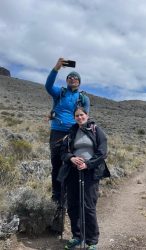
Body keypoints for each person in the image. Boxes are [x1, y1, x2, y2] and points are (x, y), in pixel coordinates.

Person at [58, 107, 110, 250]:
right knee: (73, 205)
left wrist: (88, 164)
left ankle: (92, 241)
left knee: (88, 206)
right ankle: (77, 236)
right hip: (73, 172)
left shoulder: (96, 130)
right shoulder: (72, 132)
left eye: (82, 115)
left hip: (90, 172)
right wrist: (72, 158)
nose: (79, 117)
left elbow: (102, 152)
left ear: (87, 115)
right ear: (74, 118)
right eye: (77, 116)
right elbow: (63, 151)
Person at [45, 58, 90, 202]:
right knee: (57, 164)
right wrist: (56, 67)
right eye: (70, 77)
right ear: (66, 80)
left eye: (75, 78)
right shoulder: (60, 92)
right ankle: (57, 196)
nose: (72, 79)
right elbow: (48, 85)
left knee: (72, 164)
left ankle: (70, 195)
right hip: (57, 132)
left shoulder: (83, 98)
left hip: (74, 134)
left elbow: (85, 117)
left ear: (79, 82)